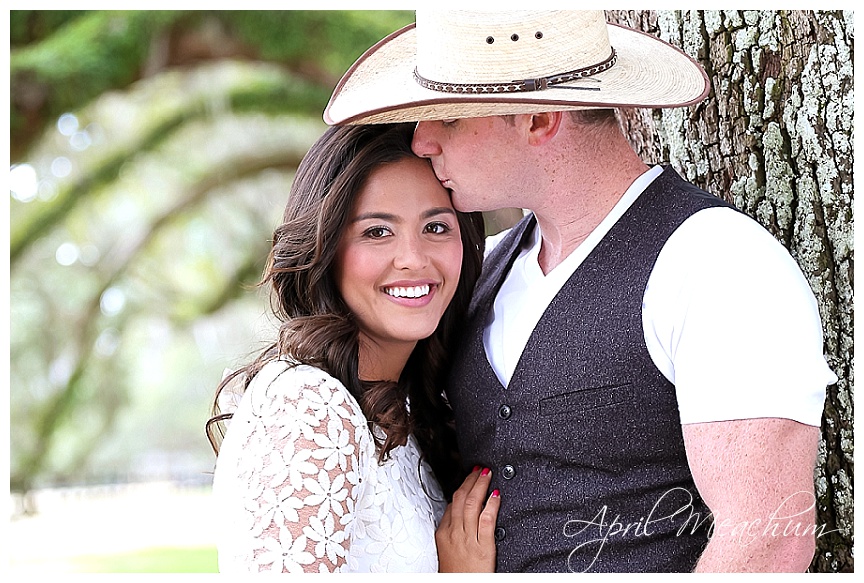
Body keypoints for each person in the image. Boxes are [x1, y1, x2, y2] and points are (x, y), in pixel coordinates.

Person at [323, 10, 838, 573]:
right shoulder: (484, 264)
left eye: (448, 118)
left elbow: (767, 543)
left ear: (541, 118)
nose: (421, 142)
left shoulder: (716, 261)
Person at [206, 122, 500, 573]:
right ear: (325, 248)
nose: (413, 258)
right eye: (377, 232)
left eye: (437, 226)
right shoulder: (308, 406)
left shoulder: (405, 408)